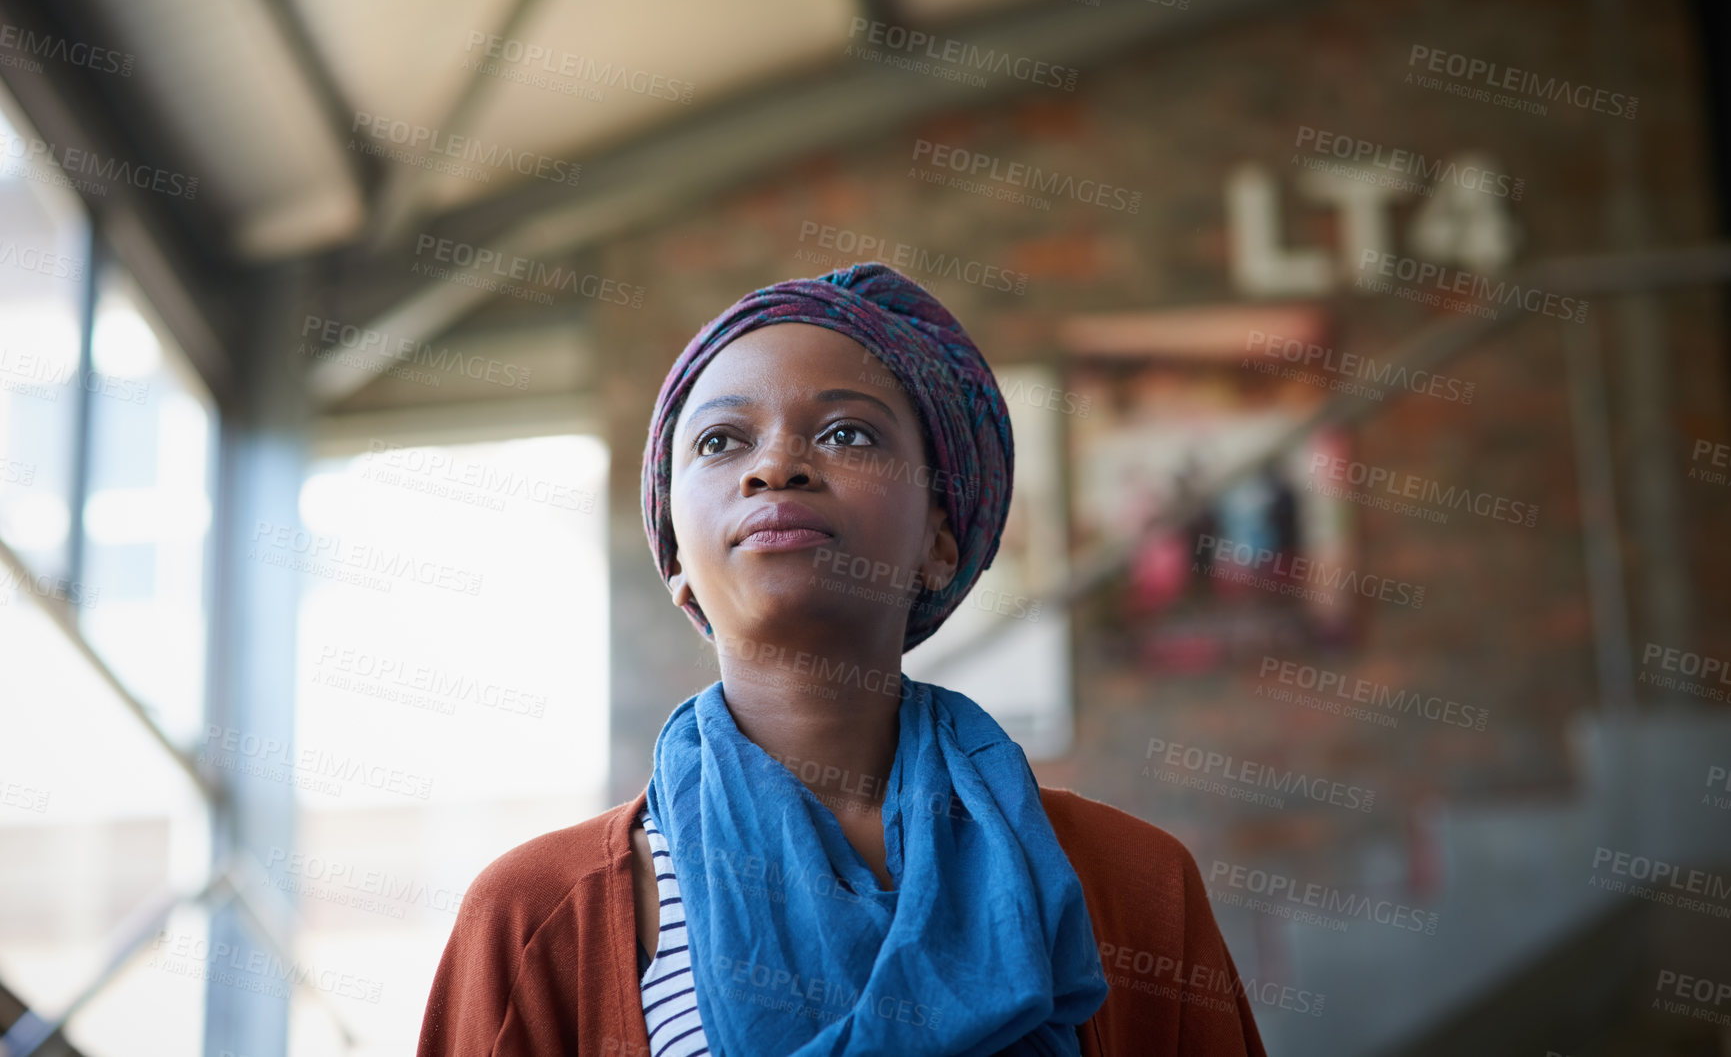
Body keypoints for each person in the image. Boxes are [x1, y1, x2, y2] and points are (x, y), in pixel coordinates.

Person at [416, 263, 1268, 1056]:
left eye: (847, 432)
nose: (776, 465)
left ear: (941, 540)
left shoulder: (1134, 887)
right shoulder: (532, 918)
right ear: (675, 557)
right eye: (719, 442)